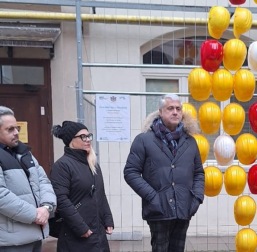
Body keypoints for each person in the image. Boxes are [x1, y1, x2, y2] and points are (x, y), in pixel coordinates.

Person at [124, 94, 205, 252]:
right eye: (170, 108)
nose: (175, 112)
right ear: (160, 112)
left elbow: (198, 173)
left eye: (178, 109)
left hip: (183, 209)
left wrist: (196, 198)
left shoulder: (190, 142)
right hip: (158, 209)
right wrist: (153, 197)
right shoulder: (144, 140)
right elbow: (131, 172)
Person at [50, 121, 114, 252]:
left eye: (88, 136)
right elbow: (61, 200)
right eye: (82, 137)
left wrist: (107, 219)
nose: (87, 140)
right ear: (71, 141)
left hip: (98, 234)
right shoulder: (62, 166)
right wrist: (81, 228)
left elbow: (100, 194)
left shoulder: (93, 164)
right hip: (76, 235)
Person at [0, 105, 56, 252]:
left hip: (35, 234)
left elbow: (44, 181)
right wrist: (34, 215)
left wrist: (46, 207)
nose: (16, 132)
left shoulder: (24, 153)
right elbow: (1, 196)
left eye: (17, 127)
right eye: (10, 129)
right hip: (10, 242)